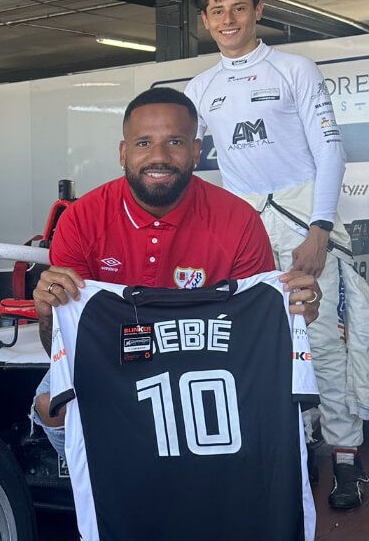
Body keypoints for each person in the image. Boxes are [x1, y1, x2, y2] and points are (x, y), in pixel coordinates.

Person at [30, 87, 321, 463]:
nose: (159, 157)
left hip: (206, 363)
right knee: (52, 405)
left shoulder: (237, 219)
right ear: (123, 153)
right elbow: (64, 347)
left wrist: (296, 315)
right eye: (144, 143)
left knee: (270, 412)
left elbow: (256, 339)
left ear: (197, 152)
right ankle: (100, 502)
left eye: (176, 142)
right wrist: (46, 315)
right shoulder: (82, 218)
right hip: (109, 361)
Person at [184, 0, 367, 509]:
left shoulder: (294, 69)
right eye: (217, 12)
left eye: (237, 8)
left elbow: (331, 151)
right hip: (241, 228)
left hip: (301, 219)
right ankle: (294, 439)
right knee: (261, 341)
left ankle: (347, 456)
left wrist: (321, 226)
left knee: (323, 342)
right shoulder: (201, 88)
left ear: (259, 10)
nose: (228, 20)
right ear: (205, 21)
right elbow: (184, 163)